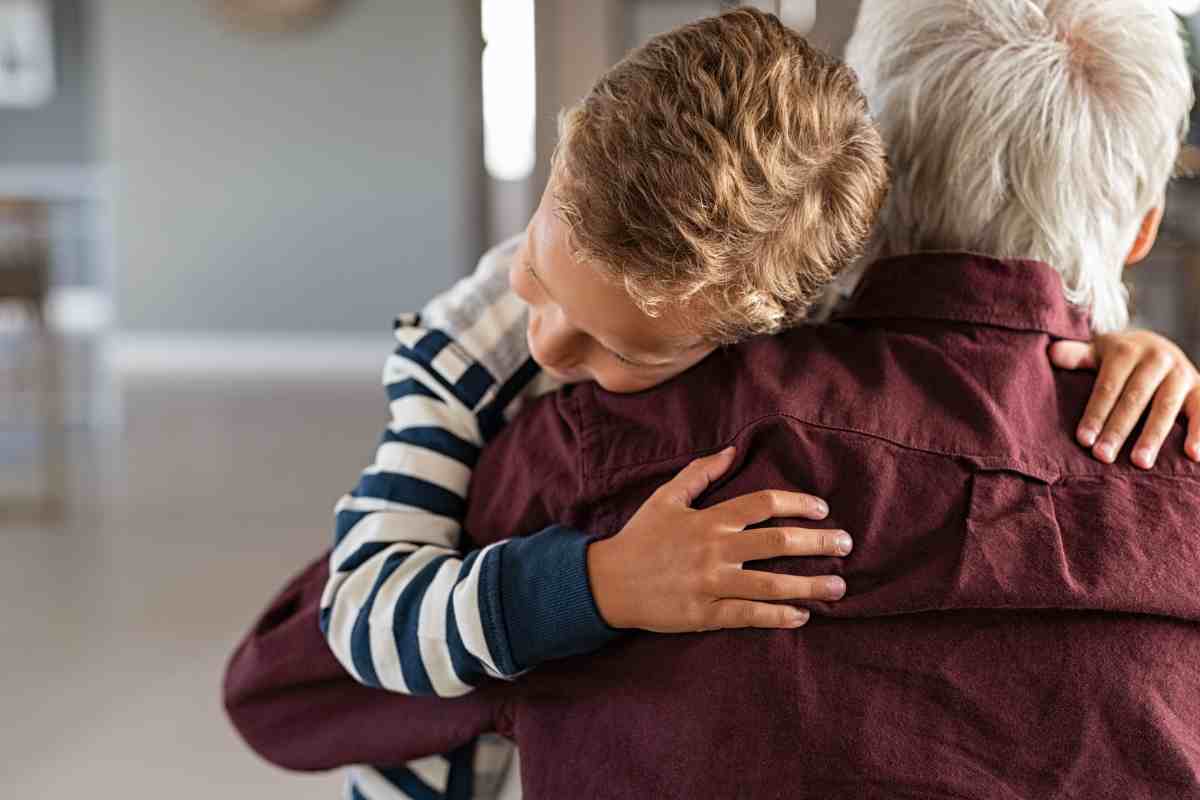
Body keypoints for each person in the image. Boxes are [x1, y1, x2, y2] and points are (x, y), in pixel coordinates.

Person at [224, 3, 1200, 798]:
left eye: (624, 345)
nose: (549, 345)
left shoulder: (630, 418)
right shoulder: (465, 362)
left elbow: (285, 689)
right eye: (534, 269)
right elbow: (359, 629)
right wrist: (599, 580)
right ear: (1138, 229)